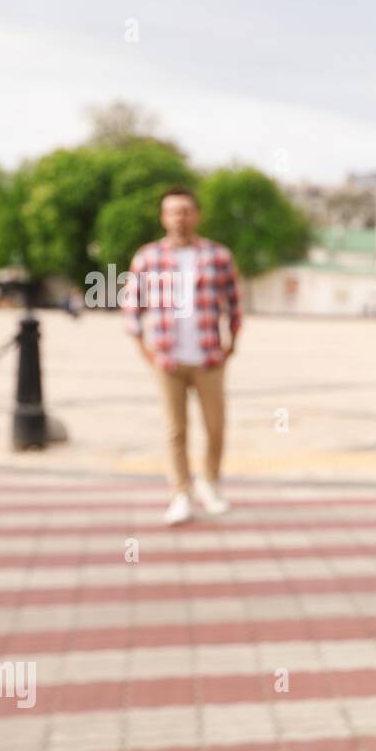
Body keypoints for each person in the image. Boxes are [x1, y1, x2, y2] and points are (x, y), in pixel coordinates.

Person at [121, 186, 241, 525]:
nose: (180, 217)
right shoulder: (148, 258)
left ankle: (211, 484)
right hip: (168, 358)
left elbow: (234, 301)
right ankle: (180, 493)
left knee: (215, 425)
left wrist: (232, 341)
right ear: (163, 217)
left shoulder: (218, 256)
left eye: (186, 210)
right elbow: (132, 306)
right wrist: (144, 347)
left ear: (197, 215)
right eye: (173, 211)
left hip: (208, 356)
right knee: (175, 429)